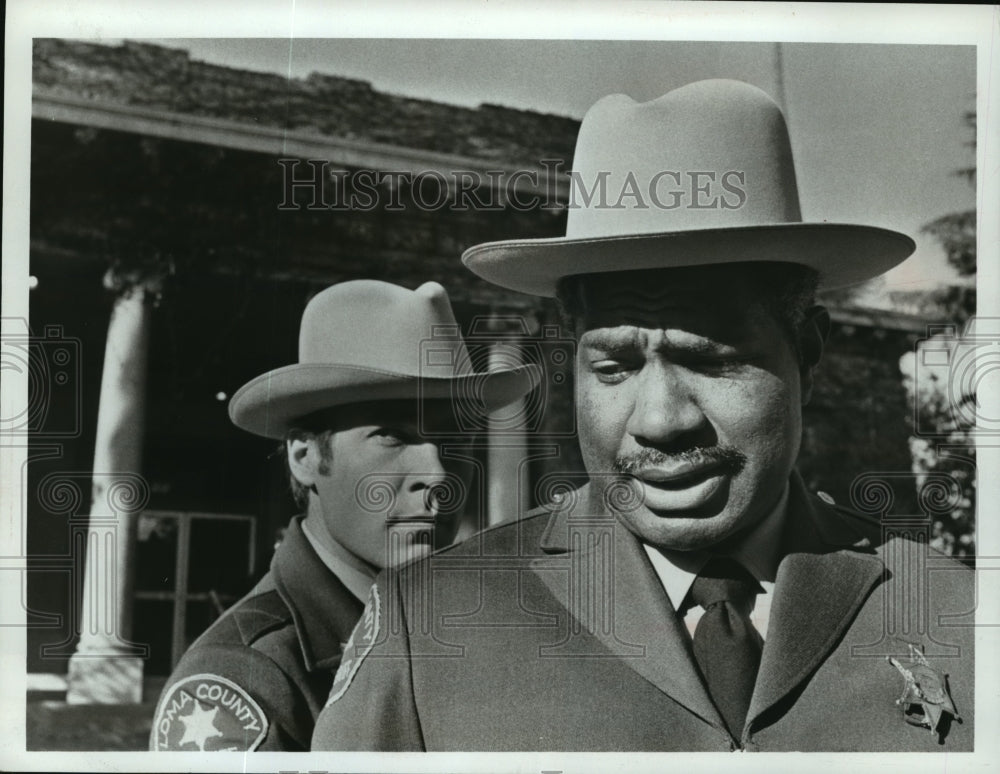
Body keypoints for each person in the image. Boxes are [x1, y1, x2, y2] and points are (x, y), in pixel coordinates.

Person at [311, 80, 975, 752]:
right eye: (615, 367)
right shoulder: (428, 626)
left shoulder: (960, 617)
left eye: (712, 360)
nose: (660, 420)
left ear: (806, 354)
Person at [149, 279, 539, 751]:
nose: (437, 474)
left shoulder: (463, 636)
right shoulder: (246, 681)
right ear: (305, 455)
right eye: (392, 436)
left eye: (455, 443)